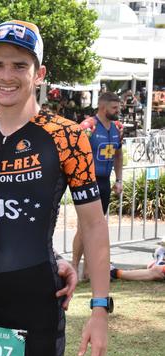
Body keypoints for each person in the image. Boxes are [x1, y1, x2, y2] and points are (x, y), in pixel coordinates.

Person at [0, 20, 110, 356]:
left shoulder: (67, 137)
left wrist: (100, 308)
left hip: (36, 293)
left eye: (20, 65)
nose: (6, 75)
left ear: (39, 74)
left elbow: (95, 225)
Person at [72, 92, 123, 278]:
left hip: (104, 182)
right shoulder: (88, 127)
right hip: (86, 181)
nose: (118, 111)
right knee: (84, 227)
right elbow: (75, 153)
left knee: (94, 227)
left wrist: (119, 180)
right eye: (115, 108)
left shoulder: (118, 127)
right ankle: (75, 268)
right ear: (103, 107)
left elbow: (118, 155)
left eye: (119, 107)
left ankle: (87, 270)